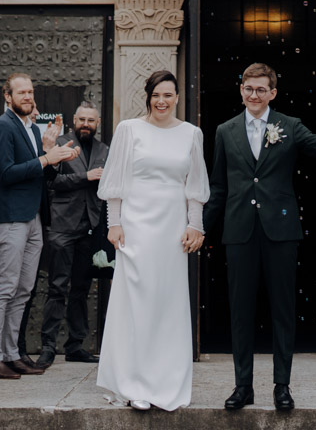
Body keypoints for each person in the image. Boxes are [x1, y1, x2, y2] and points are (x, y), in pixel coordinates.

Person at [204, 62, 316, 411]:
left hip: (281, 230)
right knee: (240, 311)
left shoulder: (287, 126)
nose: (254, 95)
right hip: (239, 229)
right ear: (241, 90)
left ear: (273, 93)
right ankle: (242, 386)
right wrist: (200, 226)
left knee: (283, 310)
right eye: (249, 88)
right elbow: (218, 186)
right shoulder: (224, 130)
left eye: (261, 89)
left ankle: (282, 386)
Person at [95, 70, 209, 410]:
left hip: (172, 229)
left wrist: (195, 225)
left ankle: (164, 381)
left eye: (168, 95)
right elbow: (116, 180)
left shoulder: (191, 133)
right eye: (157, 95)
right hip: (135, 226)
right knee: (135, 303)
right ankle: (133, 384)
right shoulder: (129, 129)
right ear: (148, 97)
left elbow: (195, 184)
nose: (162, 101)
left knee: (166, 303)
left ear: (177, 98)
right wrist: (113, 224)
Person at [0, 72, 78, 379]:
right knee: (4, 288)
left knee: (23, 289)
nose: (28, 96)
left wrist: (57, 158)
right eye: (21, 92)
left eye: (31, 91)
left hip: (34, 217)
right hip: (10, 217)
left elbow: (42, 176)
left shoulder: (31, 129)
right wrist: (47, 159)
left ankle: (12, 354)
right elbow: (7, 173)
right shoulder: (1, 126)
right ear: (7, 97)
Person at [38, 100, 109, 368]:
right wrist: (86, 177)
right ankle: (47, 346)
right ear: (74, 120)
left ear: (97, 123)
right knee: (57, 287)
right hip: (61, 227)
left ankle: (75, 345)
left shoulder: (105, 149)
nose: (86, 125)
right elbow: (51, 182)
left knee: (81, 288)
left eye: (91, 121)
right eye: (82, 120)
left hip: (90, 228)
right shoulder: (61, 144)